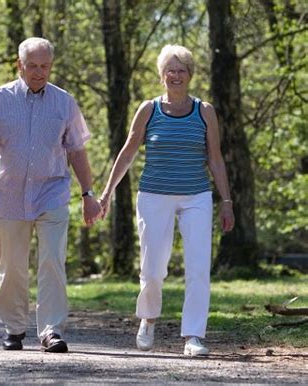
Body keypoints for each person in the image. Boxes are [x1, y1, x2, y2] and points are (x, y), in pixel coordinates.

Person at [99, 44, 235, 356]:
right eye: (170, 70)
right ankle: (148, 317)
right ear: (162, 76)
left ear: (190, 75)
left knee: (199, 265)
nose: (176, 75)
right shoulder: (149, 110)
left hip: (196, 196)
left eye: (181, 70)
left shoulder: (205, 111)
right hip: (154, 195)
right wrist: (107, 192)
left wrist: (226, 201)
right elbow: (128, 152)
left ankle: (193, 335)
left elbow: (215, 159)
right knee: (153, 267)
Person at [0, 37, 102, 353]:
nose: (39, 72)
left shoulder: (64, 102)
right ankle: (14, 329)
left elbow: (78, 152)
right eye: (32, 66)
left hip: (52, 192)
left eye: (45, 66)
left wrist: (88, 194)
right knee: (12, 266)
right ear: (20, 65)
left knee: (52, 262)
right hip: (9, 195)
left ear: (50, 66)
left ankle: (51, 330)